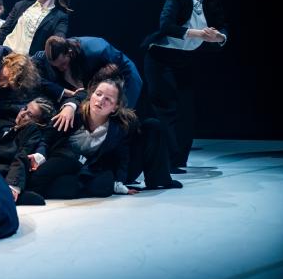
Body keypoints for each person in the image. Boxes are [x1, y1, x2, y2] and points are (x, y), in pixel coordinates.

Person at [26, 78, 182, 200]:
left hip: (97, 169)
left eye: (108, 99)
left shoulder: (119, 127)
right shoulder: (73, 116)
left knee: (152, 126)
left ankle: (159, 180)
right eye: (98, 94)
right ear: (91, 95)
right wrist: (41, 154)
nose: (100, 100)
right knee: (66, 183)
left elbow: (123, 155)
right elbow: (46, 139)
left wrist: (119, 183)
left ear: (115, 107)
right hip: (66, 163)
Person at [141, 0, 228, 172]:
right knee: (167, 109)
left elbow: (223, 25)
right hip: (160, 57)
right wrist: (198, 34)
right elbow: (166, 25)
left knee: (187, 111)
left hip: (184, 58)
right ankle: (168, 161)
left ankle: (179, 159)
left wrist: (219, 38)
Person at [34, 36, 143, 111]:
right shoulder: (47, 55)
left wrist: (125, 108)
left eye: (63, 63)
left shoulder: (97, 49)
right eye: (56, 66)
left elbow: (130, 71)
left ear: (70, 53)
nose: (61, 68)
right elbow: (31, 63)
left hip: (118, 77)